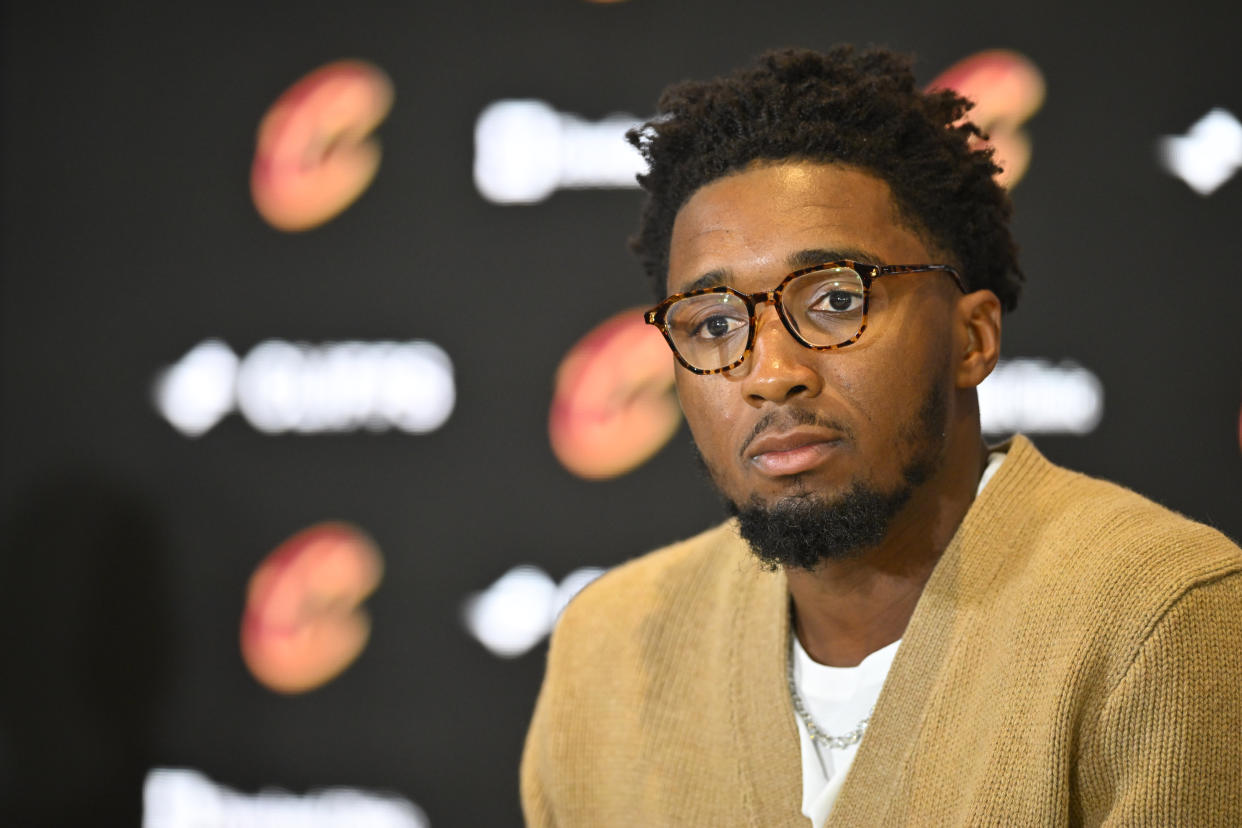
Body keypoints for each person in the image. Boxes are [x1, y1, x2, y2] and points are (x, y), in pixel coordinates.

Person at [520, 46, 1242, 827]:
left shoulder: (1162, 619)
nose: (770, 373)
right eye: (717, 323)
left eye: (836, 299)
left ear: (972, 339)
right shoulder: (609, 647)